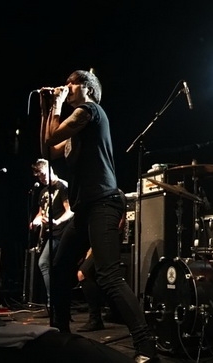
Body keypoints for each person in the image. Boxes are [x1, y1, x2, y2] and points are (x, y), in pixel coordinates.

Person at [39, 69, 157, 363]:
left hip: (104, 202)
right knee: (60, 267)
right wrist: (46, 110)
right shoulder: (76, 126)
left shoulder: (89, 111)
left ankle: (146, 347)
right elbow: (49, 148)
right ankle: (61, 334)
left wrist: (57, 105)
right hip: (85, 208)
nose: (66, 86)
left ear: (87, 88)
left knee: (108, 275)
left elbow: (53, 135)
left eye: (72, 82)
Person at [29, 158, 73, 307]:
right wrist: (35, 221)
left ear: (50, 170)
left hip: (62, 232)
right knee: (52, 267)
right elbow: (41, 213)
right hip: (50, 234)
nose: (41, 178)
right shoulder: (43, 192)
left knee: (44, 263)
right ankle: (56, 302)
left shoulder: (62, 186)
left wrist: (57, 221)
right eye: (39, 177)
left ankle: (52, 302)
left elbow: (70, 211)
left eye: (42, 174)